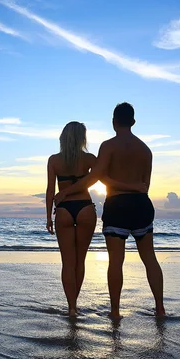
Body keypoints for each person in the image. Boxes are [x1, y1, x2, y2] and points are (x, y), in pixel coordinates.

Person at [55, 103, 165, 319]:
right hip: (142, 205)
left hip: (117, 206)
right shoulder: (145, 150)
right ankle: (160, 308)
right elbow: (145, 185)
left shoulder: (108, 146)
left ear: (114, 122)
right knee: (150, 258)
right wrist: (133, 187)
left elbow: (96, 177)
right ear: (133, 122)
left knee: (116, 260)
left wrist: (66, 193)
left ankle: (115, 311)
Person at [46, 122, 142, 317]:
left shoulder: (54, 160)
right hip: (85, 208)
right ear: (82, 138)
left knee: (67, 263)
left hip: (63, 210)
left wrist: (48, 216)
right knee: (80, 261)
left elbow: (50, 190)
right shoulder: (89, 158)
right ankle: (75, 304)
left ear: (63, 138)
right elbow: (103, 177)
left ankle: (71, 307)